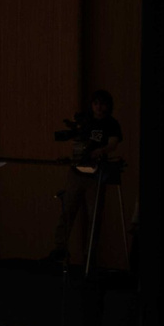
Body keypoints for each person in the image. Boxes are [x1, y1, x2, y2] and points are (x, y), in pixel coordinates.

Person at [50, 91, 123, 262]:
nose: (99, 107)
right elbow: (77, 143)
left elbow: (113, 143)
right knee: (67, 211)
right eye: (96, 103)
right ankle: (59, 249)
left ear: (108, 106)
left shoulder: (111, 124)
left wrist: (101, 151)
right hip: (76, 172)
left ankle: (89, 255)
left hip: (96, 174)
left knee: (94, 216)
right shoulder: (85, 123)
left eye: (102, 103)